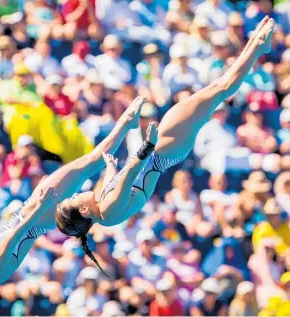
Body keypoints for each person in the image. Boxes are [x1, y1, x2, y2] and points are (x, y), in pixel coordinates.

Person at [55, 17, 276, 269]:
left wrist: (109, 164)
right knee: (219, 90)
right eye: (72, 199)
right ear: (83, 211)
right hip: (162, 151)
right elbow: (132, 174)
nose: (75, 194)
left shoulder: (100, 203)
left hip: (159, 151)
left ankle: (257, 46)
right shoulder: (108, 212)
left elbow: (115, 178)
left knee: (215, 91)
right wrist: (146, 145)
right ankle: (257, 47)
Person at [0, 97, 145, 299]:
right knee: (88, 164)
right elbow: (17, 234)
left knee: (87, 166)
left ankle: (128, 129)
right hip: (36, 216)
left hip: (35, 216)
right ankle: (127, 124)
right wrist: (40, 207)